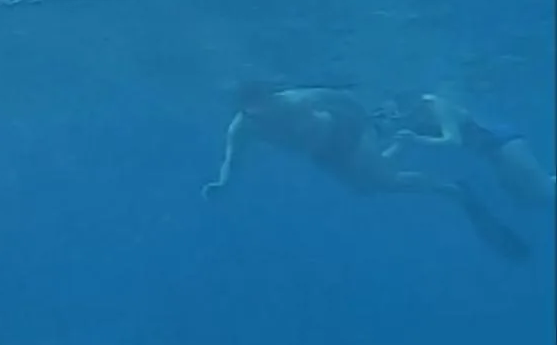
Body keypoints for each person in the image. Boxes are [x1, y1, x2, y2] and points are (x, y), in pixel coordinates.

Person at [203, 82, 530, 260]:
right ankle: (431, 169)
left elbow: (341, 98)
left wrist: (371, 124)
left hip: (348, 133)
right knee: (369, 188)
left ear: (273, 97)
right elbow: (233, 158)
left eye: (269, 105)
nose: (268, 114)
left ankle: (452, 188)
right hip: (326, 154)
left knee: (382, 178)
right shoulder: (243, 128)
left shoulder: (298, 99)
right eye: (258, 112)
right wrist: (222, 183)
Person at [382, 92, 555, 210]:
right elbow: (392, 152)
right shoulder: (411, 119)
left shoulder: (435, 105)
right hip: (489, 154)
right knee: (526, 198)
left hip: (502, 142)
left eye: (396, 114)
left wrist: (416, 139)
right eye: (392, 116)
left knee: (545, 190)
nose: (398, 119)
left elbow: (453, 141)